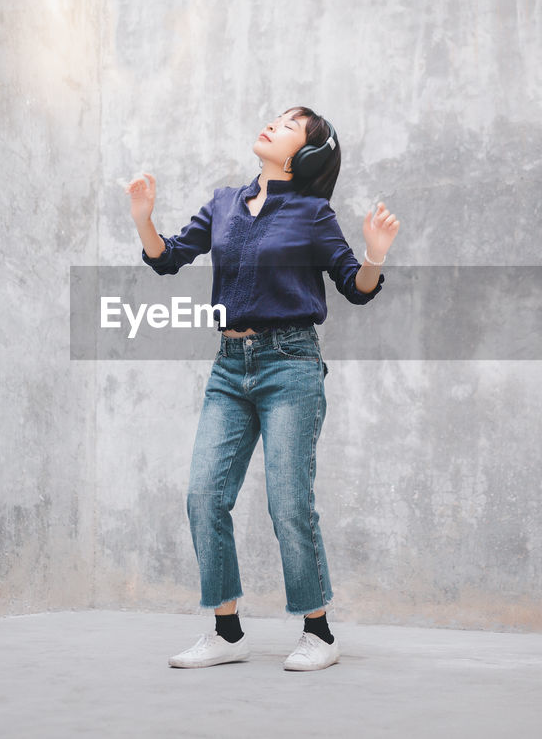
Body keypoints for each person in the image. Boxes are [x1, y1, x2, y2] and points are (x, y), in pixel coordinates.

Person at [124, 106, 400, 671]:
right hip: (229, 367)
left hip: (290, 364)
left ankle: (318, 633)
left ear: (308, 153)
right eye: (276, 118)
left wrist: (374, 254)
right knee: (204, 495)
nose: (273, 125)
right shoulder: (225, 202)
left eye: (290, 125)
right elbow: (168, 258)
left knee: (288, 502)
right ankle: (227, 632)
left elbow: (356, 287)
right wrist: (143, 219)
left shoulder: (313, 213)